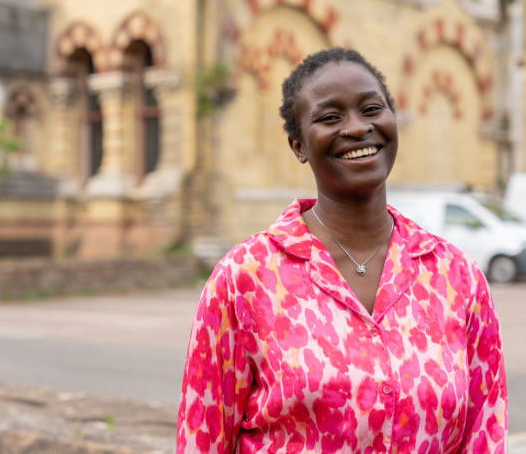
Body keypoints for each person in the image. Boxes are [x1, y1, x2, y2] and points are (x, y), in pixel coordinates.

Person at [176, 48, 507, 454]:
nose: (357, 127)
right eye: (330, 117)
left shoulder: (457, 278)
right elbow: (202, 438)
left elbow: (483, 435)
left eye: (372, 108)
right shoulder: (245, 278)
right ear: (298, 146)